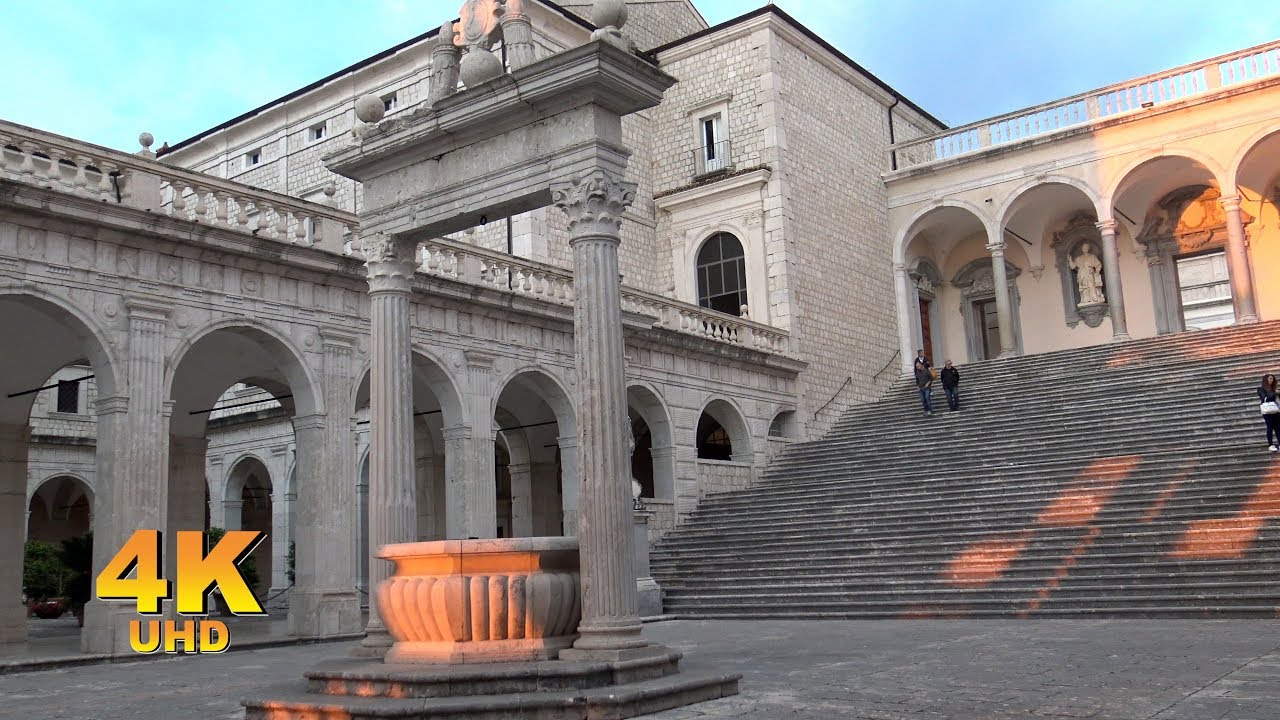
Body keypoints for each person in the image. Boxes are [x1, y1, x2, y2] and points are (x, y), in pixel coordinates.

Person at [1259, 373, 1280, 452]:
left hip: (1276, 410)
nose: (1272, 380)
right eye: (1270, 378)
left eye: (1272, 379)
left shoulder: (1274, 389)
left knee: (1278, 428)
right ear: (1266, 379)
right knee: (1270, 427)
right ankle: (1270, 444)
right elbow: (1264, 398)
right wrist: (1275, 393)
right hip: (1267, 411)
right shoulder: (1261, 389)